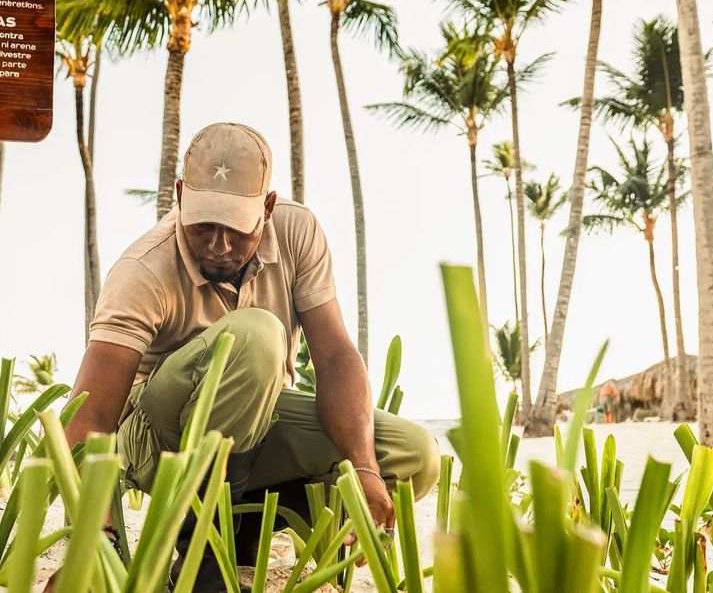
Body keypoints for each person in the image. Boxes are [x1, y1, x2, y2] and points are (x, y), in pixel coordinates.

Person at [51, 123, 440, 592]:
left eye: (236, 228)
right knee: (256, 336)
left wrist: (363, 467)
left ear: (268, 208)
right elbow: (89, 413)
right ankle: (204, 561)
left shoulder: (298, 232)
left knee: (414, 454)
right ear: (179, 197)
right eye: (204, 226)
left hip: (255, 430)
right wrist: (99, 537)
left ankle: (246, 531)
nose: (218, 244)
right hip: (158, 442)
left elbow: (335, 356)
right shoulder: (142, 271)